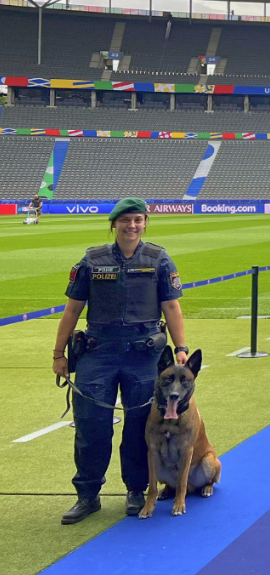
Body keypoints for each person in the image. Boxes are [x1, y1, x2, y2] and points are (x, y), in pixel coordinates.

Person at [52, 198, 188, 524]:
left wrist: (181, 347)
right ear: (114, 224)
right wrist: (58, 354)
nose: (132, 226)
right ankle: (87, 495)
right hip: (98, 353)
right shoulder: (92, 260)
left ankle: (136, 490)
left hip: (144, 355)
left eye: (138, 220)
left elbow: (171, 307)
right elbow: (72, 309)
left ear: (145, 223)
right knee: (91, 427)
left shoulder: (158, 259)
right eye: (126, 220)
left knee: (140, 427)